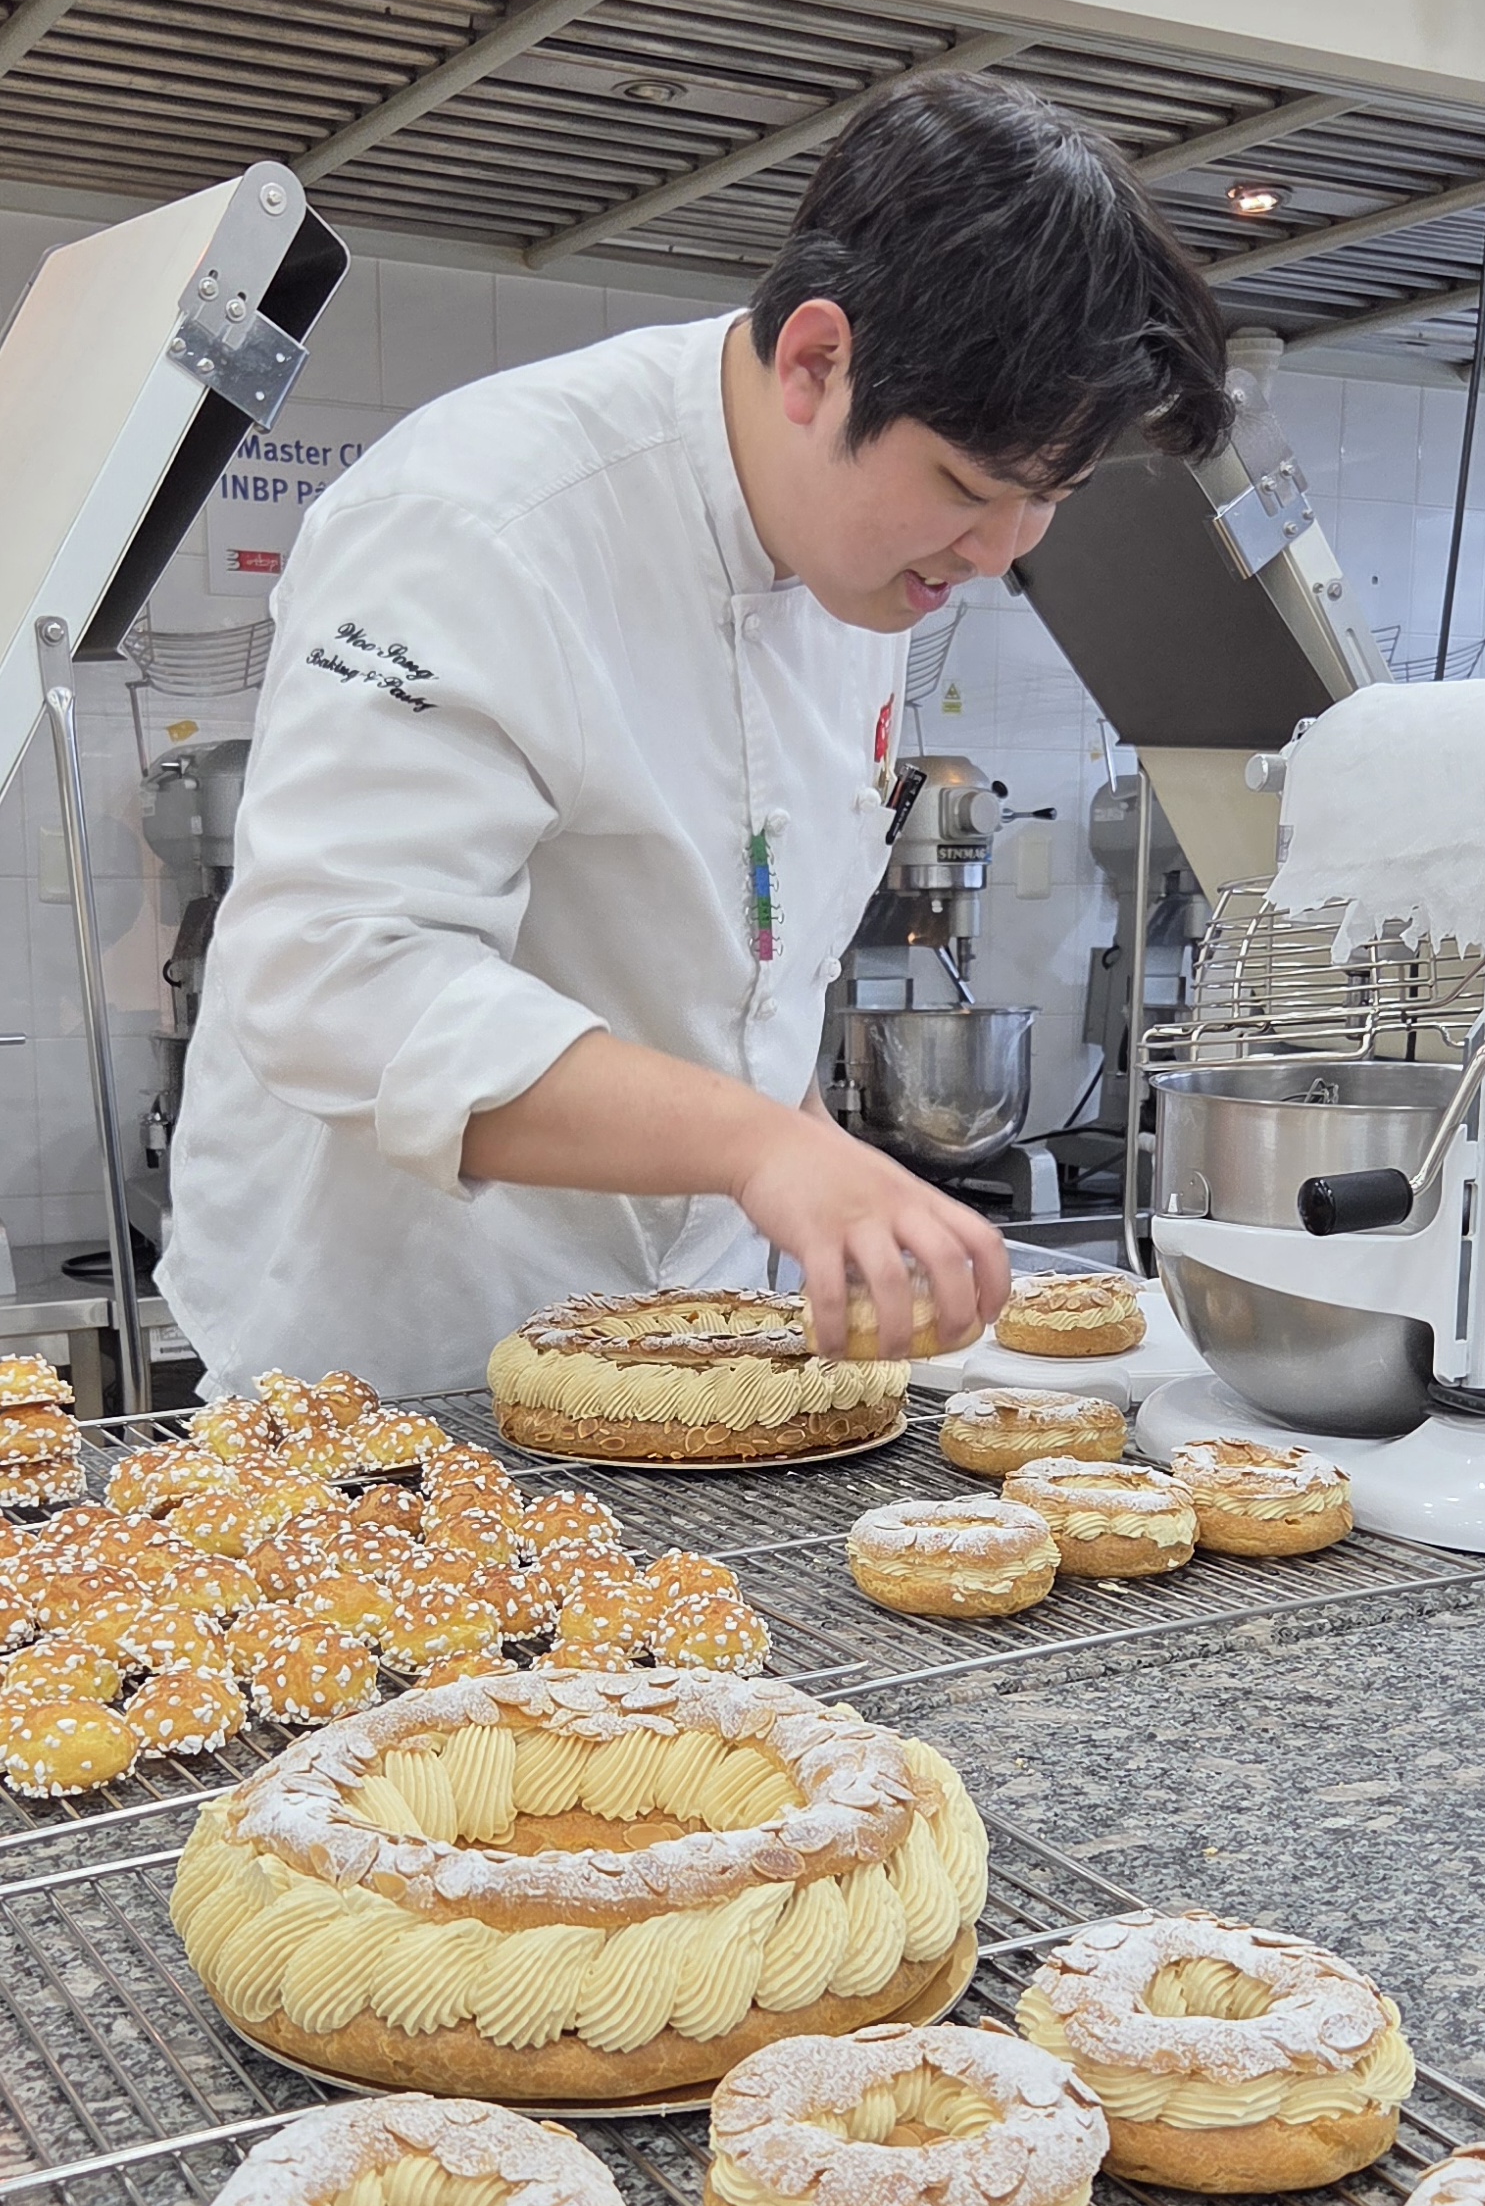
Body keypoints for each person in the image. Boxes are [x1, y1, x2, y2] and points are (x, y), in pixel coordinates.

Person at [159, 73, 1229, 1397]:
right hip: (400, 1368)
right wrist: (755, 1148)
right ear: (815, 361)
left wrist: (820, 1165)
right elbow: (333, 984)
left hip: (697, 1349)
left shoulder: (868, 571)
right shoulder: (481, 518)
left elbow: (745, 975)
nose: (1001, 553)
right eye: (968, 487)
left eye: (1046, 500)